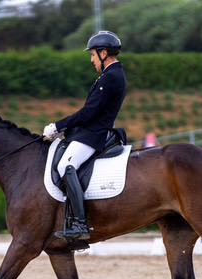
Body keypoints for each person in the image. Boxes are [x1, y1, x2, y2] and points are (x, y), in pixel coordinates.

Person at [43, 31, 127, 241]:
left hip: (93, 135)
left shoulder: (110, 77)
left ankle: (80, 223)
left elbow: (88, 112)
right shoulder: (110, 75)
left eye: (92, 55)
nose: (91, 60)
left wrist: (58, 126)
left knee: (65, 167)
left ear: (103, 53)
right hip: (90, 131)